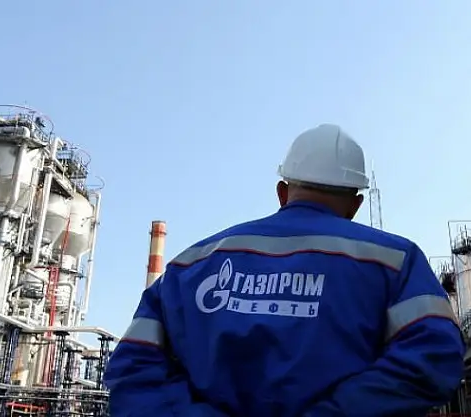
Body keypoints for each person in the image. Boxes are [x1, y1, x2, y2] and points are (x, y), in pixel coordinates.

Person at [104, 124, 465, 417]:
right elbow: (435, 356)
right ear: (355, 205)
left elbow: (132, 370)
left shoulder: (190, 264)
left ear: (282, 191)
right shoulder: (396, 260)